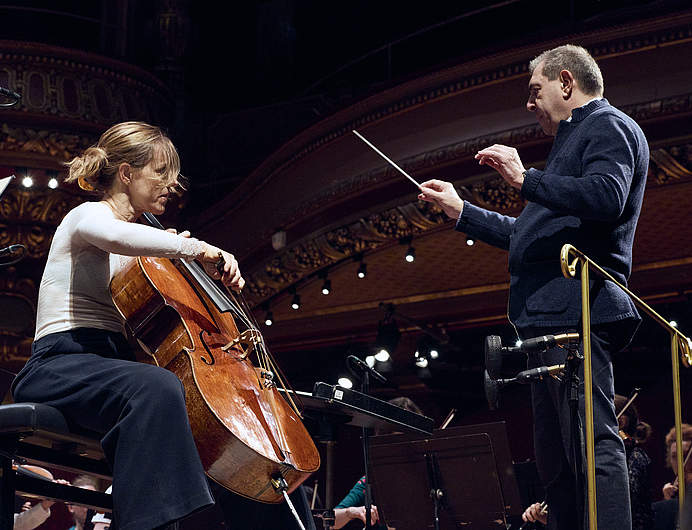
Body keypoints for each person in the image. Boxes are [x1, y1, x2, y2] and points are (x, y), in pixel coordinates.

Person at [419, 45, 649, 530]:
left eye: (534, 91)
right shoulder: (572, 141)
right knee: (556, 460)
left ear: (566, 82)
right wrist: (462, 211)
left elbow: (607, 195)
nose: (528, 104)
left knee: (592, 444)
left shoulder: (608, 125)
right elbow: (528, 234)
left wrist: (526, 179)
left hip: (578, 313)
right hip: (550, 321)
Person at [11, 121, 245, 530]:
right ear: (126, 173)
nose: (171, 185)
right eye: (161, 172)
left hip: (109, 370)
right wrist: (194, 249)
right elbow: (115, 237)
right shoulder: (88, 215)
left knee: (209, 420)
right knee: (157, 387)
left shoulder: (140, 242)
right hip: (58, 365)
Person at [333, 397, 423, 529]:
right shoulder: (371, 481)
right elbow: (332, 521)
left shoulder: (427, 480)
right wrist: (350, 512)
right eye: (395, 441)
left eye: (407, 439)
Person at [652, 423, 692, 530]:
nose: (680, 462)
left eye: (685, 455)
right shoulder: (671, 493)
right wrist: (668, 501)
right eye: (674, 456)